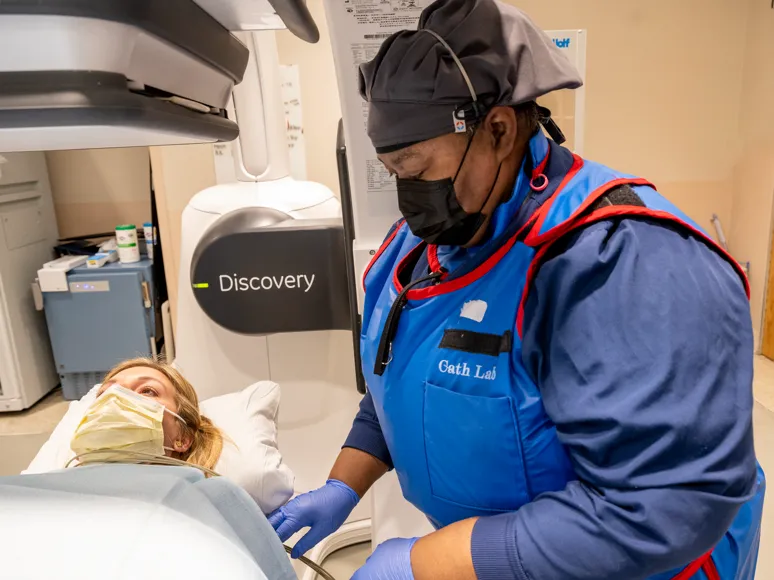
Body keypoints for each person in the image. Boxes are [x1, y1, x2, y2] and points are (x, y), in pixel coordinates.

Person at [269, 0, 765, 579]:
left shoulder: (619, 260)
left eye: (418, 166)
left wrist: (426, 563)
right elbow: (400, 378)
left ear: (498, 130)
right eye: (392, 171)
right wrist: (341, 486)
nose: (407, 194)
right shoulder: (425, 242)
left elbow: (660, 507)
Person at [69, 358, 224, 471]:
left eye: (147, 391)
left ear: (183, 438)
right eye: (105, 393)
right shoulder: (56, 492)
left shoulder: (205, 498)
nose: (115, 398)